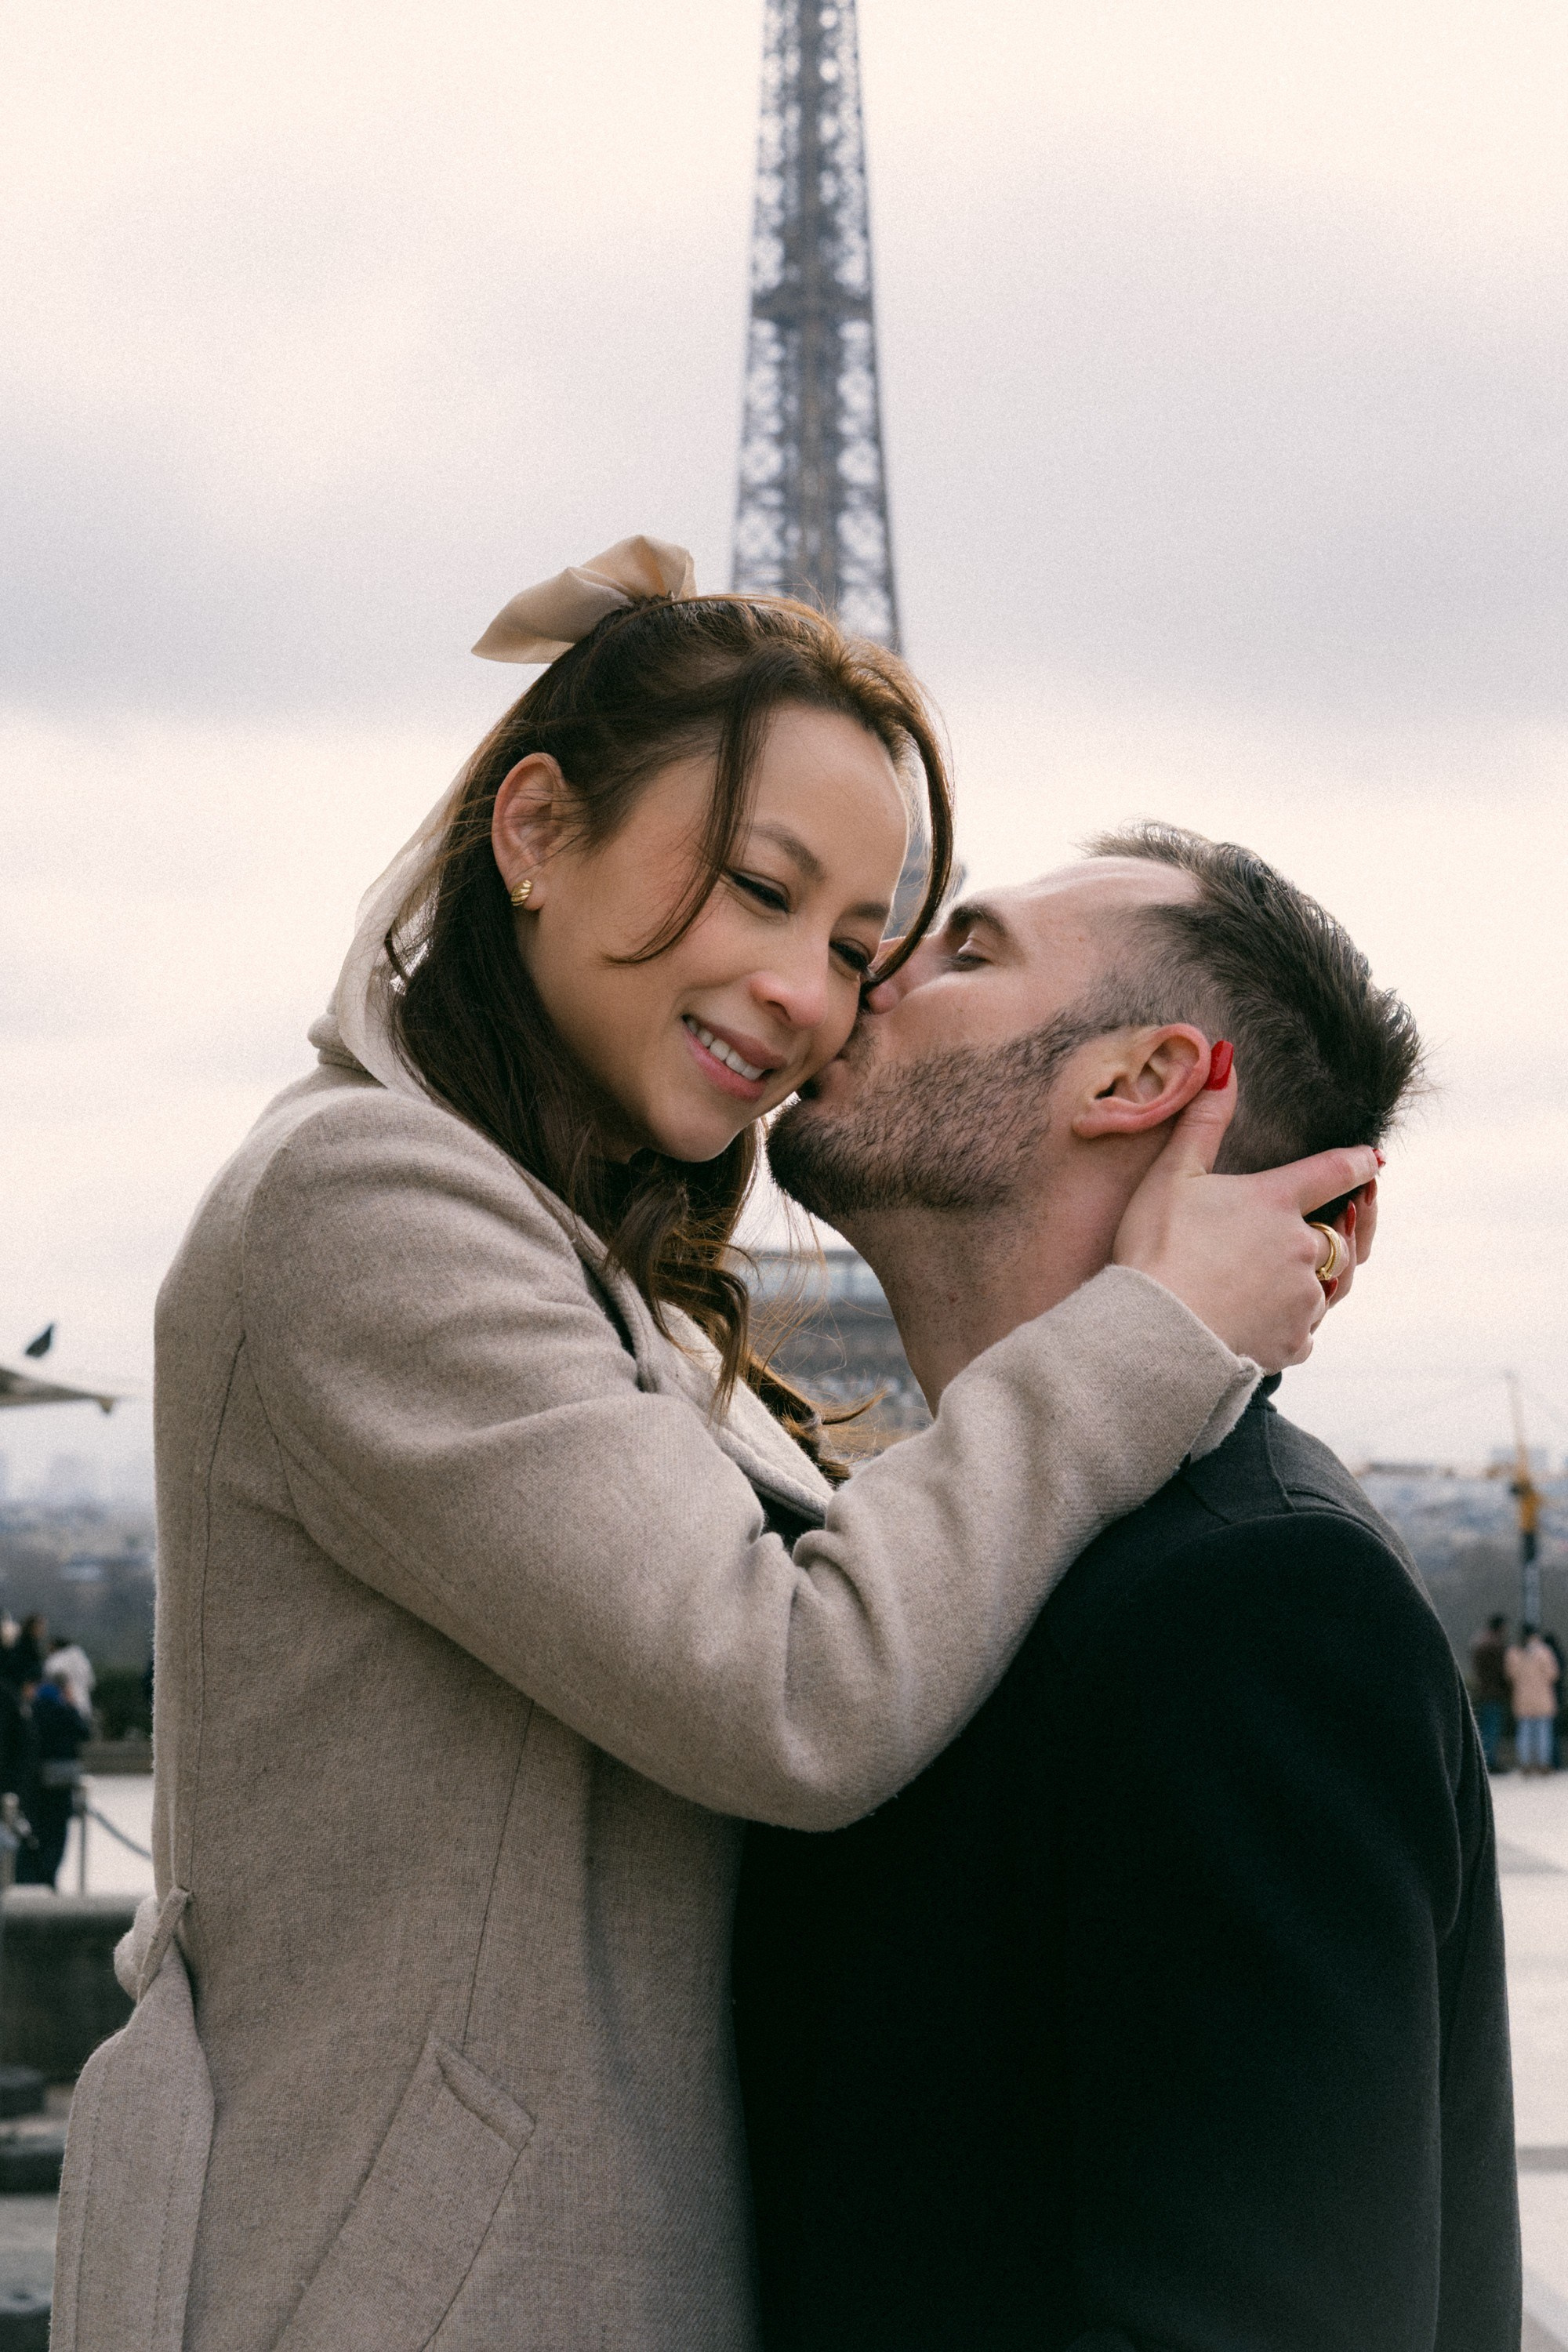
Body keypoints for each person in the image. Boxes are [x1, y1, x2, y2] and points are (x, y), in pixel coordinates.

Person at [55, 544, 1375, 2352]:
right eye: (758, 887)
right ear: (532, 829)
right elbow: (788, 1684)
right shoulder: (365, 1199)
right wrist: (1142, 1334)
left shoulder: (589, 1268)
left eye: (857, 944)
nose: (812, 993)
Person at [739, 824, 1517, 2350]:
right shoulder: (1018, 1555)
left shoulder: (1253, 1609)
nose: (868, 970)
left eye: (964, 950)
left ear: (1135, 1080)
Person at [14, 1673, 93, 1888]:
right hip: (62, 1784)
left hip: (36, 1785)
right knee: (56, 1836)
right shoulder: (65, 1711)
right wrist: (72, 1706)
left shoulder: (31, 1712)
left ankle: (30, 1877)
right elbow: (85, 1732)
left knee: (34, 1833)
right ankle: (48, 1875)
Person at [1507, 1624, 1559, 1775]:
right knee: (1543, 1732)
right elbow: (1553, 1673)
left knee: (1524, 1732)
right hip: (1543, 1697)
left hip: (1522, 1697)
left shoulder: (1514, 1652)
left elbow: (1511, 1674)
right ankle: (1543, 1763)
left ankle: (1525, 1764)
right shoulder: (1544, 1651)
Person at [1470, 1612, 1512, 1772]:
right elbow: (1502, 1672)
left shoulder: (1480, 1642)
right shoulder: (1495, 1645)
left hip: (1484, 1691)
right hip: (1494, 1692)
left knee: (1486, 1727)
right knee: (1491, 1728)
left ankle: (1486, 1760)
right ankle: (1490, 1761)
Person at [42, 1635, 95, 1725]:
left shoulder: (58, 1659)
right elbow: (90, 1681)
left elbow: (52, 1673)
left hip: (64, 1700)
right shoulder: (81, 1659)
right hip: (83, 1700)